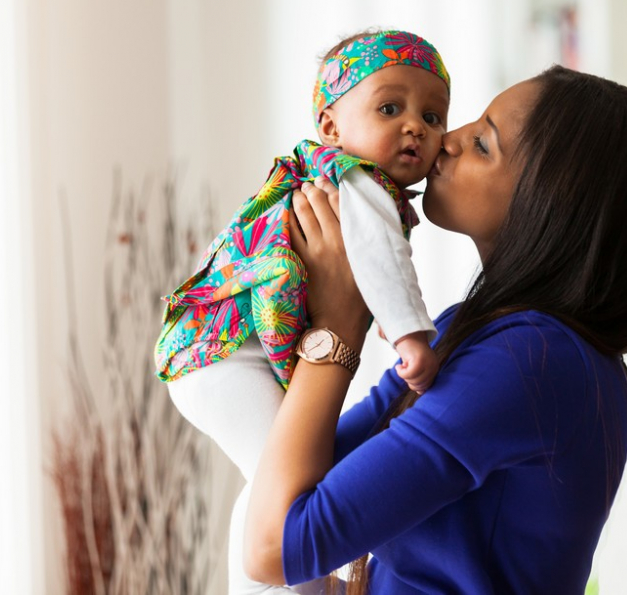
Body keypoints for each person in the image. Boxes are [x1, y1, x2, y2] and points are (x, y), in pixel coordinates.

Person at [242, 65, 627, 594]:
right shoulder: (477, 332)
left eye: (483, 143)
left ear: (552, 205)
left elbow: (273, 548)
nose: (447, 140)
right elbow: (306, 483)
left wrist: (338, 324)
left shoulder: (533, 361)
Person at [154, 29, 451, 594]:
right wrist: (410, 337)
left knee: (274, 486)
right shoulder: (359, 183)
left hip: (213, 355)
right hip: (223, 357)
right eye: (391, 108)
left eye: (434, 117)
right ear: (332, 127)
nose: (417, 126)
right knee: (289, 498)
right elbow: (381, 261)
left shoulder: (336, 176)